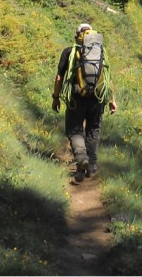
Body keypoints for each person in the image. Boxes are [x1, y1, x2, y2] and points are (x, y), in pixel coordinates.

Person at [52, 22, 117, 183]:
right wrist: (111, 100)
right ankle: (92, 165)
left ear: (77, 36)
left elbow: (59, 77)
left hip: (76, 97)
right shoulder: (101, 51)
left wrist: (56, 97)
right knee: (93, 130)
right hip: (97, 98)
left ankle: (81, 158)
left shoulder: (69, 52)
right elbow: (108, 77)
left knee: (75, 130)